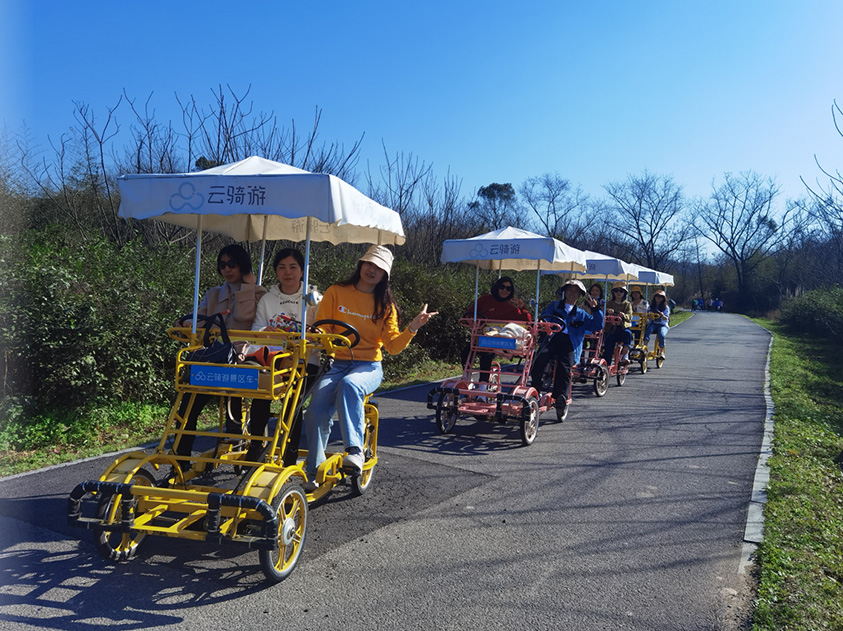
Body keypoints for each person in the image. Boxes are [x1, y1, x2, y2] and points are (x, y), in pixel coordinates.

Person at [303, 245, 436, 488]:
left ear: (385, 275)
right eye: (369, 264)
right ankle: (314, 469)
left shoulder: (386, 306)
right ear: (361, 264)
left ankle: (354, 450)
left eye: (379, 268)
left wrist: (412, 328)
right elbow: (323, 326)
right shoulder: (336, 291)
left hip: (369, 366)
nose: (372, 270)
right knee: (315, 411)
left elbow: (392, 346)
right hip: (336, 362)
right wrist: (318, 334)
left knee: (350, 385)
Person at [174, 244, 267, 458]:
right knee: (188, 403)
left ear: (243, 265)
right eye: (223, 264)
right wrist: (185, 324)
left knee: (243, 375)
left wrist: (247, 287)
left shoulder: (258, 293)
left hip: (245, 356)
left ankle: (242, 435)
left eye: (232, 264)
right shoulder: (213, 294)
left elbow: (245, 316)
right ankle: (181, 456)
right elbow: (199, 320)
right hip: (215, 356)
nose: (227, 269)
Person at [247, 248, 318, 466]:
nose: (288, 272)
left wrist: (310, 336)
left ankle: (290, 452)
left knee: (292, 400)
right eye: (282, 267)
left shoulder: (314, 299)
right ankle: (256, 445)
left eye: (293, 267)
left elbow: (322, 332)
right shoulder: (267, 299)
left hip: (305, 362)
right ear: (276, 271)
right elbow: (257, 331)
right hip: (274, 360)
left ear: (302, 271)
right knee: (262, 392)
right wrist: (267, 331)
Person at [530, 279, 603, 417]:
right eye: (570, 290)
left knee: (565, 367)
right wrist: (544, 322)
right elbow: (544, 316)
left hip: (570, 343)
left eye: (576, 292)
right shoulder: (554, 306)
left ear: (580, 295)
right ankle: (535, 390)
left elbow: (597, 325)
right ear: (564, 292)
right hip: (552, 338)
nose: (572, 293)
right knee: (538, 359)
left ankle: (560, 397)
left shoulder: (581, 313)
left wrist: (596, 309)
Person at [459, 276, 532, 383]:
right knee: (467, 351)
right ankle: (467, 376)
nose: (504, 290)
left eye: (508, 289)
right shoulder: (485, 299)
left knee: (486, 354)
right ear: (497, 287)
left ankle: (483, 384)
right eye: (502, 287)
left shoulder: (511, 308)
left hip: (496, 340)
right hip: (481, 336)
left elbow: (527, 322)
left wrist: (522, 307)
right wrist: (474, 323)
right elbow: (469, 313)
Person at [602, 281, 633, 366]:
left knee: (628, 334)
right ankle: (607, 364)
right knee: (608, 342)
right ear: (613, 292)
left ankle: (625, 355)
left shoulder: (627, 304)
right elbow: (603, 313)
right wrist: (607, 311)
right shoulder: (609, 303)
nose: (618, 293)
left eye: (621, 291)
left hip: (623, 328)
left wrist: (624, 315)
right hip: (611, 329)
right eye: (616, 291)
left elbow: (630, 316)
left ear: (624, 293)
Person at [643, 290, 670, 355]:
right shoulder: (651, 307)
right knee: (647, 330)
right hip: (653, 324)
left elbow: (666, 318)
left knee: (661, 334)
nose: (658, 298)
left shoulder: (665, 307)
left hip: (663, 325)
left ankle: (661, 350)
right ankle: (645, 347)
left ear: (663, 298)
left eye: (660, 297)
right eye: (657, 296)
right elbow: (647, 314)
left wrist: (662, 315)